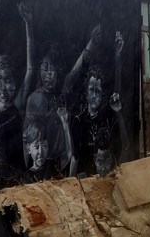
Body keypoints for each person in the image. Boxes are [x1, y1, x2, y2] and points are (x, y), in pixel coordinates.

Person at [24, 25, 98, 175]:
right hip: (40, 169)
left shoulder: (62, 95)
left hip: (61, 166)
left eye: (53, 68)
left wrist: (91, 43)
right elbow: (25, 138)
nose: (49, 74)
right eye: (45, 68)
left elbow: (74, 73)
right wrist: (29, 169)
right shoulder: (34, 99)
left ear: (59, 69)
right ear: (39, 69)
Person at [0, 0, 35, 191]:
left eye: (7, 81)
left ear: (14, 84)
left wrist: (28, 24)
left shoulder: (18, 104)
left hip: (15, 181)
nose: (3, 86)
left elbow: (31, 69)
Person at [71, 31, 129, 177]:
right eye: (91, 90)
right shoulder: (79, 121)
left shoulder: (107, 118)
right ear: (86, 92)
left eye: (98, 90)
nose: (95, 95)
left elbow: (125, 144)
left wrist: (117, 55)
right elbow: (74, 156)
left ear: (102, 93)